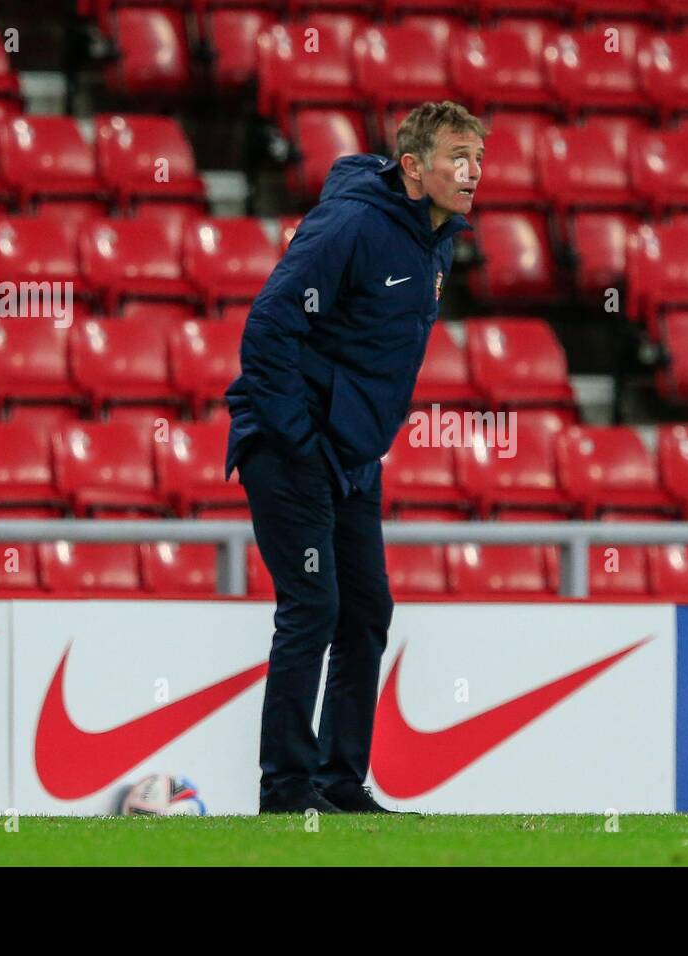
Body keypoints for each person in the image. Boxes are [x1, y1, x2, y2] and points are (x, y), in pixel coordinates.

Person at [224, 101, 486, 814]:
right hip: (293, 446)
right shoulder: (351, 225)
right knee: (313, 605)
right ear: (412, 166)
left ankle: (339, 782)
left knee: (366, 609)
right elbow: (268, 327)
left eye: (478, 160)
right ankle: (285, 792)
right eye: (457, 159)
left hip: (351, 453)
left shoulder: (438, 238)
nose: (472, 174)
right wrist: (298, 439)